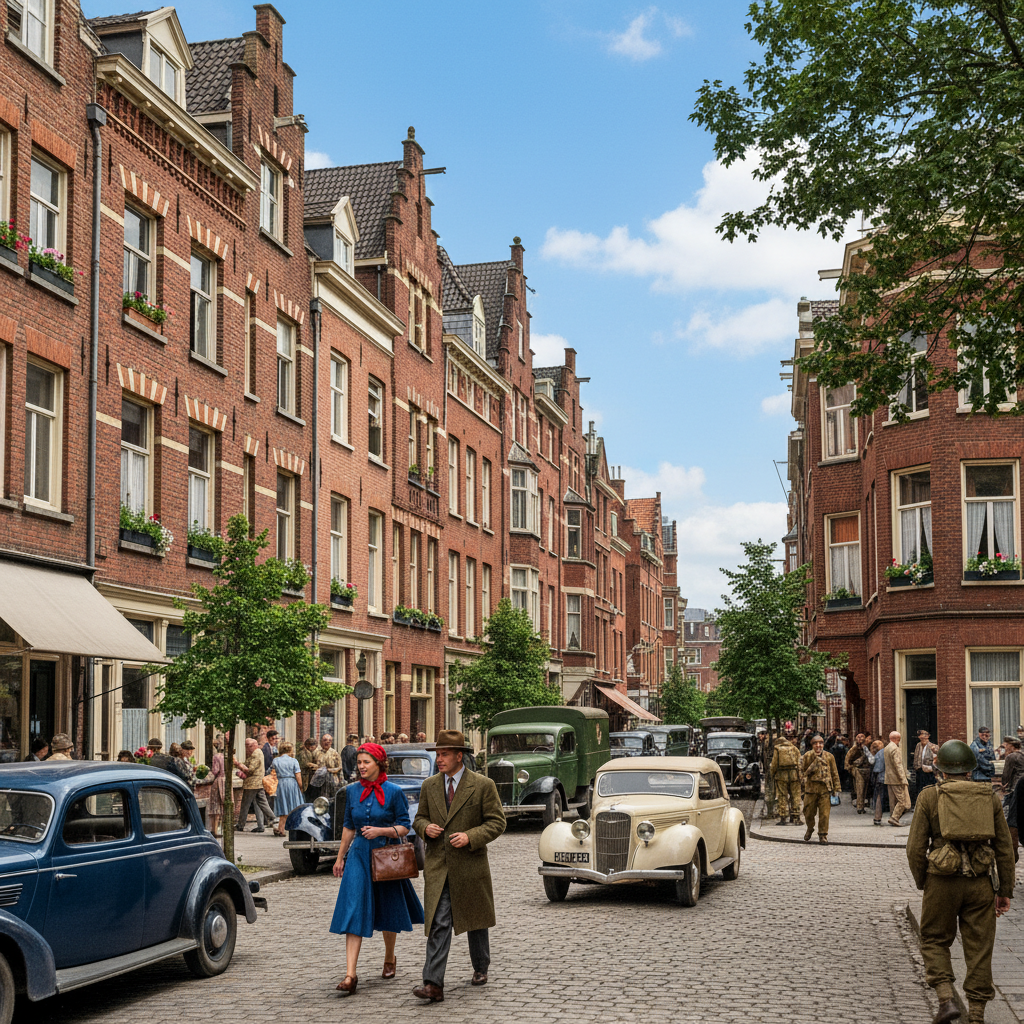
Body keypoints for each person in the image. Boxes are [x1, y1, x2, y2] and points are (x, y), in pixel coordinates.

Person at [906, 739, 1015, 1024]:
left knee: (933, 939)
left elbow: (915, 848)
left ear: (940, 769)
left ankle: (945, 999)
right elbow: (1005, 848)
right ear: (970, 769)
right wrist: (1004, 890)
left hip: (942, 880)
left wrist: (923, 881)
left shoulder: (930, 797)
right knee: (980, 948)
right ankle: (976, 1015)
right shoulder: (989, 796)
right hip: (980, 882)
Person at [412, 730, 506, 1003]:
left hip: (470, 865)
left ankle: (481, 966)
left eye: (443, 755)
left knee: (475, 919)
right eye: (437, 755)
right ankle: (432, 983)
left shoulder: (482, 785)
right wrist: (424, 827)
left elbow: (497, 822)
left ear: (458, 756)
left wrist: (471, 836)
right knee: (439, 922)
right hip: (439, 866)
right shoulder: (430, 785)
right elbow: (419, 818)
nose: (439, 759)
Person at [330, 743, 424, 995]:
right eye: (359, 762)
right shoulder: (351, 791)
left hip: (386, 855)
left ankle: (390, 957)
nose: (361, 766)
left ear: (379, 764)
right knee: (353, 908)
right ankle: (350, 975)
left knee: (388, 906)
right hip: (359, 855)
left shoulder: (394, 792)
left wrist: (381, 831)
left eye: (365, 762)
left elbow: (405, 826)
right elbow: (349, 826)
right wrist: (340, 858)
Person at [800, 734, 840, 844]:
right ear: (812, 745)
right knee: (808, 813)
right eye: (816, 743)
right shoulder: (807, 756)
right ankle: (810, 828)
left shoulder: (829, 757)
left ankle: (823, 834)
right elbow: (801, 773)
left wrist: (836, 788)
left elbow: (834, 772)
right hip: (811, 789)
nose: (818, 746)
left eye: (821, 743)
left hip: (825, 789)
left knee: (824, 814)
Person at [235, 737, 274, 833]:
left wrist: (237, 764)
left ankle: (240, 825)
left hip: (252, 784)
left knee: (245, 804)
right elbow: (247, 764)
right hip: (257, 783)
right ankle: (262, 825)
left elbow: (250, 769)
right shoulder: (255, 753)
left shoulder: (256, 754)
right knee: (260, 803)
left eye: (247, 746)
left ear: (252, 746)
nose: (246, 749)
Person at [271, 741, 304, 837]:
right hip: (292, 783)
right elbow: (298, 776)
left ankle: (281, 828)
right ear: (290, 750)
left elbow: (270, 772)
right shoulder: (294, 761)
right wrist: (301, 787)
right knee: (294, 806)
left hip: (280, 784)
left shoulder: (275, 761)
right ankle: (292, 828)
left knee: (283, 805)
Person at [770, 730, 802, 825]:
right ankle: (795, 817)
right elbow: (800, 762)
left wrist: (772, 774)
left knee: (782, 796)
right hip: (794, 775)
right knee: (795, 796)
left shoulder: (777, 749)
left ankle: (783, 817)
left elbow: (774, 764)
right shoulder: (794, 748)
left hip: (781, 775)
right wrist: (800, 776)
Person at [884, 731, 912, 826]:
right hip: (896, 779)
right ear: (898, 739)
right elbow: (898, 765)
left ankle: (893, 816)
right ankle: (895, 817)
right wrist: (903, 779)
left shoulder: (887, 748)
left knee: (893, 800)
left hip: (889, 778)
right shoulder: (895, 749)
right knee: (902, 800)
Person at [846, 732, 870, 813]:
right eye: (858, 737)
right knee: (860, 788)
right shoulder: (854, 748)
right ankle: (860, 807)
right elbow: (847, 758)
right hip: (858, 770)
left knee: (865, 789)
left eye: (862, 736)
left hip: (867, 769)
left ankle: (862, 805)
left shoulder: (867, 747)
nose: (860, 738)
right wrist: (850, 768)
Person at [914, 730, 940, 804]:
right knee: (919, 788)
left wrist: (932, 769)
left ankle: (929, 803)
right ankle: (921, 803)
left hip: (929, 771)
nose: (923, 737)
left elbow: (937, 760)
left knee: (928, 788)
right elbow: (916, 757)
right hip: (919, 770)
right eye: (921, 735)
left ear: (928, 736)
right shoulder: (918, 745)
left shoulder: (933, 746)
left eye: (925, 735)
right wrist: (916, 767)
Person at [207, 737, 226, 838]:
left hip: (218, 782)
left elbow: (215, 770)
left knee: (216, 806)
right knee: (225, 805)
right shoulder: (228, 756)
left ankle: (214, 829)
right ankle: (222, 828)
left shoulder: (216, 757)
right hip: (226, 781)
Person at [1001, 738, 1024, 814]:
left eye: (1007, 745)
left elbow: (1006, 775)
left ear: (1012, 746)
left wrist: (1004, 785)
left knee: (1009, 813)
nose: (1006, 748)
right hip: (1021, 786)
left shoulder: (1011, 757)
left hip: (1015, 788)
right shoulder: (1022, 755)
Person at [870, 739, 887, 824]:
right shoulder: (882, 753)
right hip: (884, 778)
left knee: (878, 797)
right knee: (880, 798)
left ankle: (877, 817)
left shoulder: (876, 754)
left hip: (878, 778)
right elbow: (878, 768)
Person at [299, 736, 320, 800]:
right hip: (306, 778)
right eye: (310, 745)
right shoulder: (303, 753)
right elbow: (306, 764)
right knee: (307, 795)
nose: (312, 747)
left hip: (315, 778)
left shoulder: (318, 752)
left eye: (313, 745)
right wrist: (315, 765)